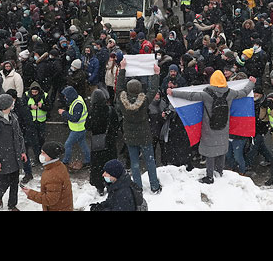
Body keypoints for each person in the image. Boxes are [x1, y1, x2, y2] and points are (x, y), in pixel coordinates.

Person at [169, 71, 256, 182]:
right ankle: (219, 172)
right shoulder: (230, 93)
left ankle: (209, 176)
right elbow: (244, 92)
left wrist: (173, 93)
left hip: (209, 128)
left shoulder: (206, 94)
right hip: (224, 126)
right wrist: (251, 83)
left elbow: (190, 96)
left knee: (210, 152)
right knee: (221, 149)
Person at [115, 58, 163, 193]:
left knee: (134, 163)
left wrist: (122, 69)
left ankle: (138, 186)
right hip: (144, 134)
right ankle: (154, 185)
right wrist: (156, 74)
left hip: (130, 135)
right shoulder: (145, 101)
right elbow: (153, 89)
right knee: (150, 161)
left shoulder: (121, 100)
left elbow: (118, 88)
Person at [0, 93, 28, 211]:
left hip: (15, 157)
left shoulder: (13, 117)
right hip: (3, 158)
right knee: (4, 183)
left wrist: (23, 151)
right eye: (11, 102)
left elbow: (19, 136)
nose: (13, 104)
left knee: (14, 183)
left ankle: (12, 205)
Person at [85, 88, 120, 196]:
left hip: (97, 144)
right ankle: (111, 184)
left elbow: (87, 126)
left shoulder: (92, 112)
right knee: (110, 164)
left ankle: (100, 187)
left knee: (97, 166)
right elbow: (116, 124)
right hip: (109, 143)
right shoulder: (110, 110)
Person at [21, 141, 73, 211]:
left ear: (51, 156)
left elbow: (50, 200)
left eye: (43, 153)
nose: (41, 155)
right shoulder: (59, 165)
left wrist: (31, 193)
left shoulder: (53, 174)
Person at [58, 85, 90, 171]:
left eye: (66, 96)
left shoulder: (77, 104)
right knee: (82, 144)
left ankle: (65, 162)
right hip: (81, 127)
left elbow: (75, 118)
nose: (65, 98)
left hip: (78, 129)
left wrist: (64, 113)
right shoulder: (78, 99)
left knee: (68, 144)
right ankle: (88, 160)